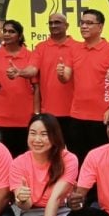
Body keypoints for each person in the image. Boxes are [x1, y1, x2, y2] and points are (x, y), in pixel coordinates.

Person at [10, 113, 79, 216]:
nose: (37, 139)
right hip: (33, 214)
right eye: (33, 133)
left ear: (55, 136)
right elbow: (26, 206)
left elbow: (55, 198)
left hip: (63, 210)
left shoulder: (69, 159)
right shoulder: (18, 163)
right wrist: (21, 198)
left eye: (44, 134)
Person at [65, 9, 109, 162]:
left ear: (100, 27)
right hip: (76, 115)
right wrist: (61, 72)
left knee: (99, 160)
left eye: (89, 23)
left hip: (101, 116)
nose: (84, 26)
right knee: (77, 159)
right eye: (82, 23)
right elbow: (65, 78)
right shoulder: (74, 49)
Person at [0, 19, 36, 156]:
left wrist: (19, 72)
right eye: (5, 31)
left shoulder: (30, 55)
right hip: (3, 115)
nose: (7, 34)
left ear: (19, 36)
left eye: (11, 31)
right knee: (6, 153)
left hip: (26, 114)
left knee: (26, 154)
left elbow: (36, 84)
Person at [29, 12, 77, 143]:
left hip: (74, 112)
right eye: (50, 23)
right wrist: (19, 72)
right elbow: (32, 70)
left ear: (67, 25)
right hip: (49, 112)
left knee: (75, 152)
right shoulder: (40, 47)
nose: (53, 25)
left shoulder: (78, 47)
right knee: (52, 151)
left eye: (57, 22)